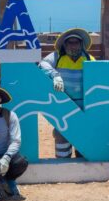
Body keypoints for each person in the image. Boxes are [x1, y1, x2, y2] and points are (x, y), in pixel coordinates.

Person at [39, 28, 95, 158]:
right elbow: (43, 65)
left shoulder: (88, 58)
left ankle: (82, 162)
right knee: (62, 133)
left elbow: (99, 73)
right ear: (65, 44)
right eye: (70, 42)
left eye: (76, 42)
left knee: (84, 133)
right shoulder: (57, 56)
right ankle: (62, 163)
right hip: (64, 105)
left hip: (84, 105)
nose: (73, 45)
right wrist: (55, 75)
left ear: (81, 44)